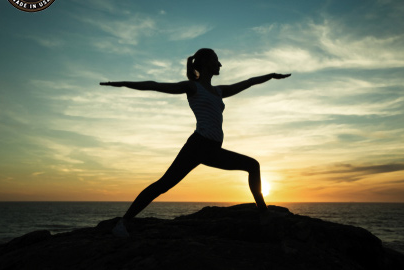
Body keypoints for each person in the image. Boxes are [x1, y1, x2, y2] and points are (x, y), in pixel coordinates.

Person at [100, 48, 291, 237]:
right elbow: (154, 85)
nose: (220, 64)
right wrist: (121, 83)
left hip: (213, 149)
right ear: (207, 62)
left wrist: (271, 76)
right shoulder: (193, 87)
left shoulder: (218, 91)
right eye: (217, 60)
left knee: (252, 165)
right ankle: (123, 223)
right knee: (163, 185)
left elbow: (248, 83)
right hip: (198, 146)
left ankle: (264, 214)